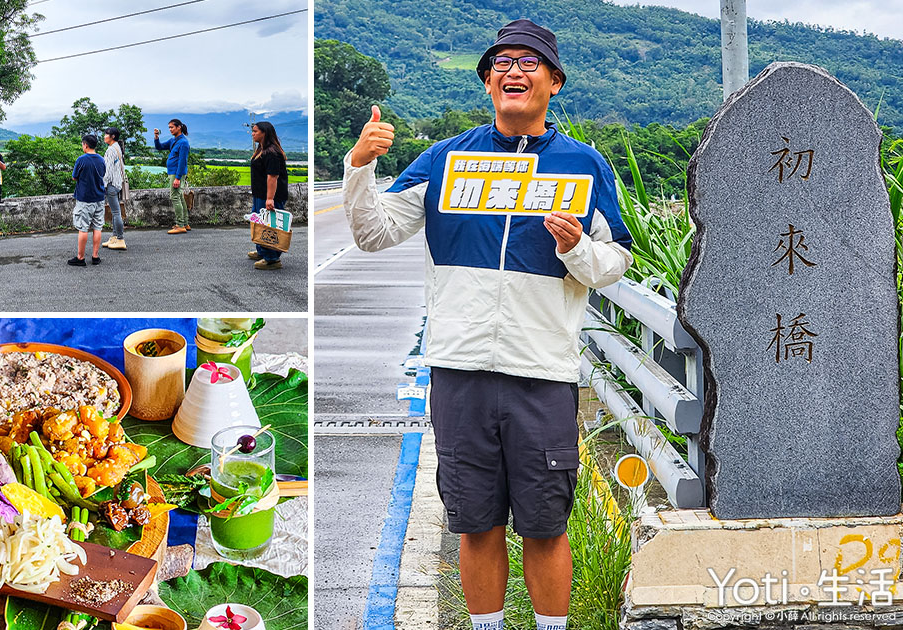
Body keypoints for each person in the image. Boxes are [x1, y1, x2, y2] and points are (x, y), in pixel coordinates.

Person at [342, 19, 632, 630]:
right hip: (459, 367)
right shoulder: (446, 159)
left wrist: (577, 248)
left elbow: (615, 263)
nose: (513, 71)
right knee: (475, 523)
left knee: (546, 524)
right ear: (487, 82)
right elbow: (373, 233)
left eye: (529, 62)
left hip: (542, 370)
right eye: (501, 63)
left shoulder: (583, 165)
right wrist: (360, 165)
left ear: (554, 82)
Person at [248, 121, 289, 271]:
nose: (252, 134)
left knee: (269, 226)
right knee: (259, 223)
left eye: (255, 131)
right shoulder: (262, 149)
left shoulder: (271, 152)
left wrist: (270, 198)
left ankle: (272, 258)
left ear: (264, 133)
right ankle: (262, 251)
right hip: (260, 194)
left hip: (270, 196)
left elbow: (272, 177)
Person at [69, 134, 106, 267]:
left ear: (85, 145)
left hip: (85, 198)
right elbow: (103, 174)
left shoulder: (81, 160)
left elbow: (74, 177)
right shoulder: (101, 159)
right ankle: (95, 256)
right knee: (97, 227)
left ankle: (80, 257)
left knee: (83, 228)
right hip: (99, 197)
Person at [154, 119, 190, 234]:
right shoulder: (173, 140)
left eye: (172, 127)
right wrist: (156, 137)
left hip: (176, 173)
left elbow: (182, 161)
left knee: (175, 197)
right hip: (173, 172)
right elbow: (159, 147)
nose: (170, 129)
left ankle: (180, 225)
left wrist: (178, 178)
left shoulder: (183, 143)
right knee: (179, 197)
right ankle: (185, 223)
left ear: (179, 127)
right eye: (169, 127)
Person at [101, 127, 127, 250]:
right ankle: (114, 237)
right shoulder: (117, 147)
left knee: (116, 212)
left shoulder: (111, 150)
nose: (104, 136)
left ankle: (120, 239)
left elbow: (108, 171)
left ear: (112, 137)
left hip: (111, 184)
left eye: (106, 134)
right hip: (117, 183)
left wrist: (103, 184)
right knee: (115, 212)